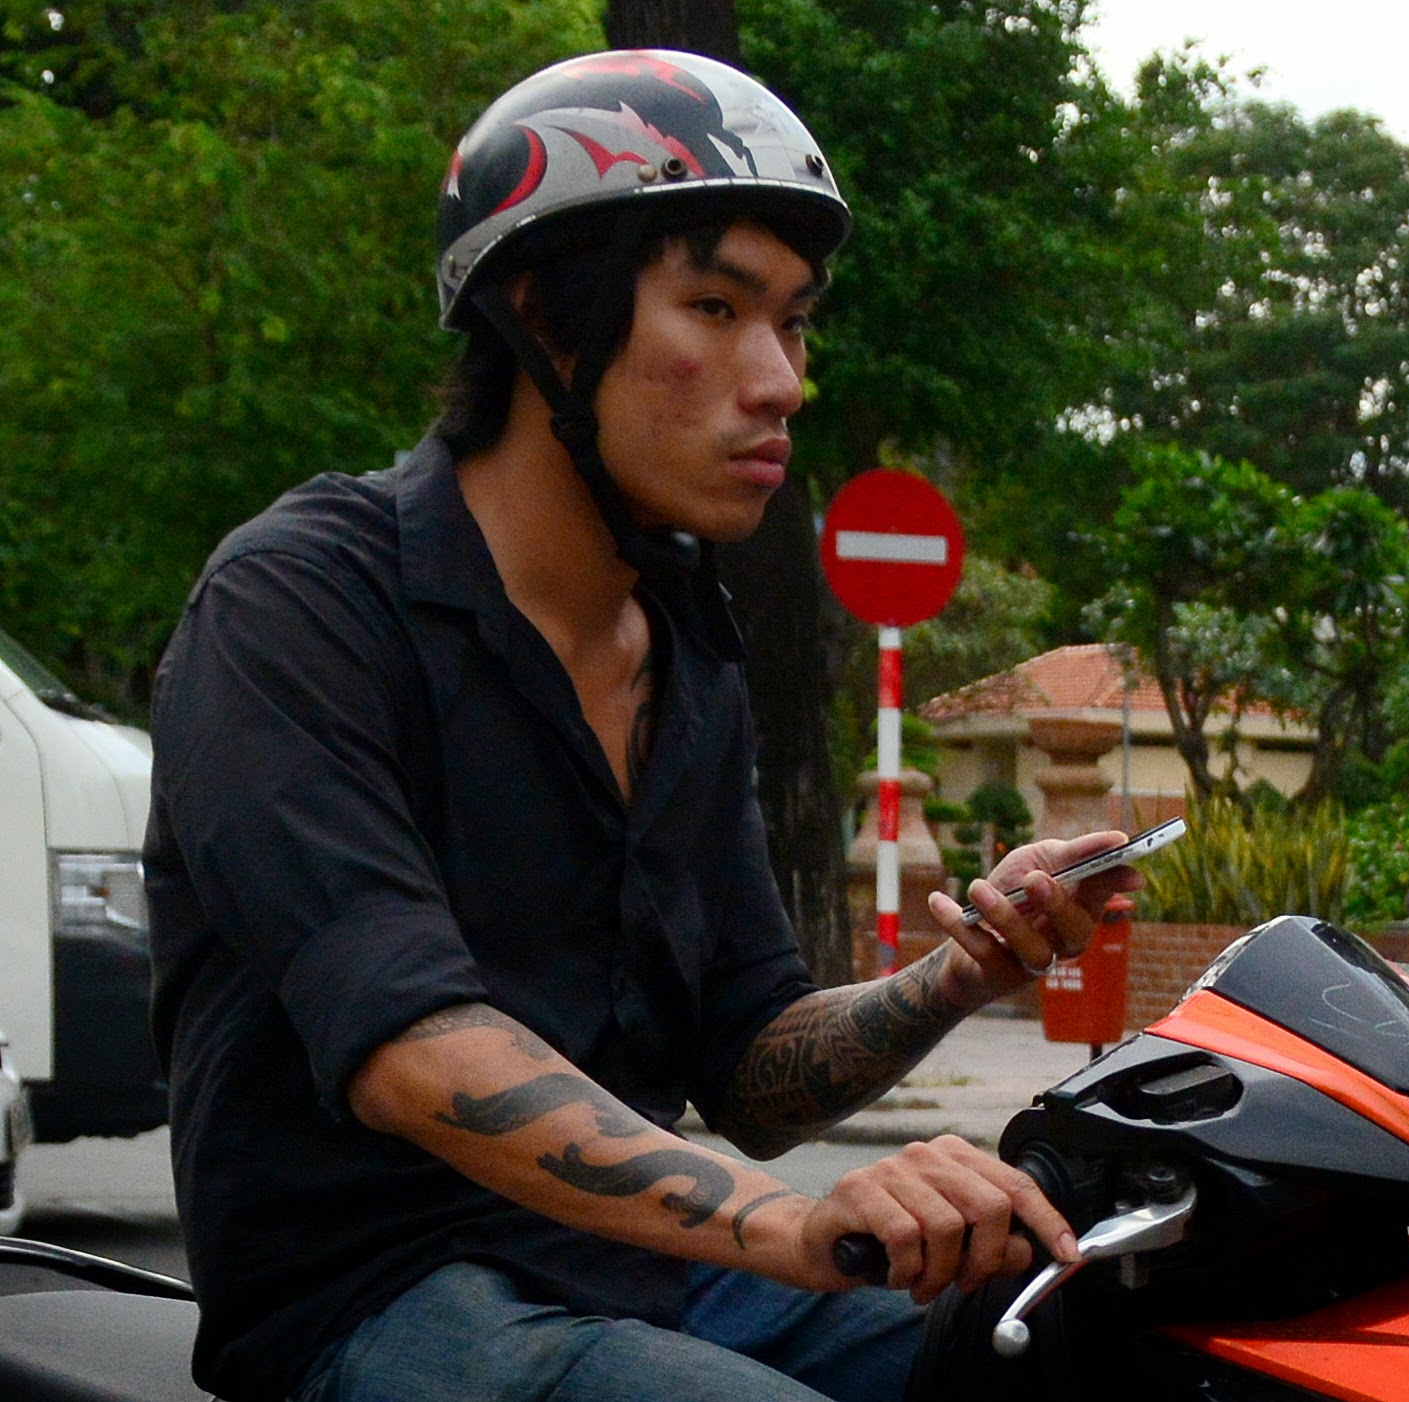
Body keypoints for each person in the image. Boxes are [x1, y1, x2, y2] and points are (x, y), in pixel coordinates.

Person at [144, 50, 1136, 1402]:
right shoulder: (301, 603)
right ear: (548, 321)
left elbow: (751, 1071)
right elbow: (412, 1052)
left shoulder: (687, 657)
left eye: (793, 322)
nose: (781, 379)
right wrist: (789, 1225)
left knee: (1105, 1349)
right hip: (377, 1296)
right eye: (716, 307)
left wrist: (960, 974)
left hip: (645, 1273)